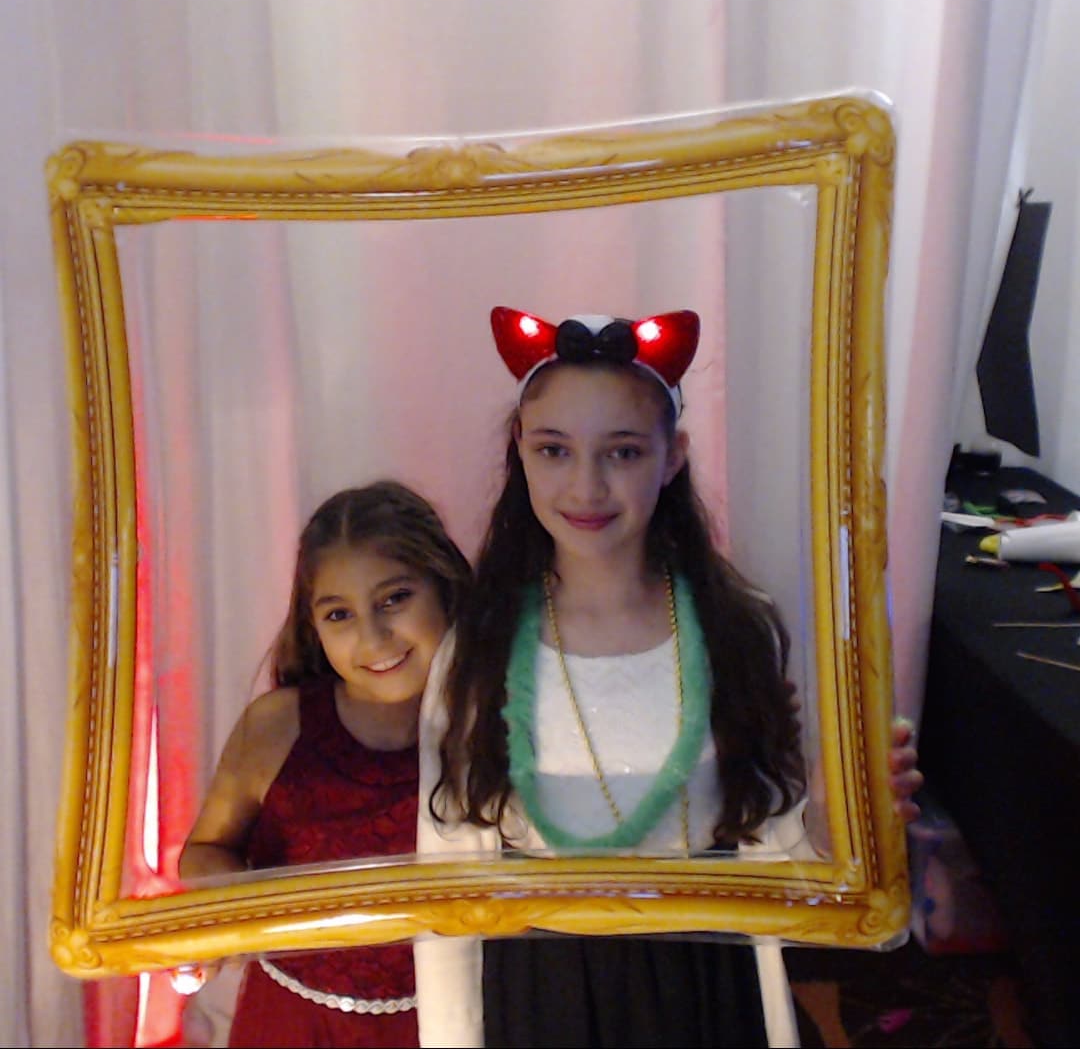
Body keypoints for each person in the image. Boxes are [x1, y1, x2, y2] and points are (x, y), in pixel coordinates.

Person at [415, 307, 923, 1048]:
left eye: (622, 452)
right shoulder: (478, 651)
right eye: (554, 450)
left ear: (672, 456)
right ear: (519, 450)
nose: (586, 486)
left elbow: (774, 850)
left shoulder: (737, 629)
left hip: (707, 987)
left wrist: (837, 816)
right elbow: (446, 889)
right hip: (540, 995)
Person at [178, 480, 472, 1049]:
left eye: (395, 599)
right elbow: (205, 850)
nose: (373, 635)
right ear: (312, 626)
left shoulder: (494, 723)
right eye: (339, 614)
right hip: (290, 1021)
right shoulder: (276, 726)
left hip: (449, 1022)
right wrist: (238, 909)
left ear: (446, 587)